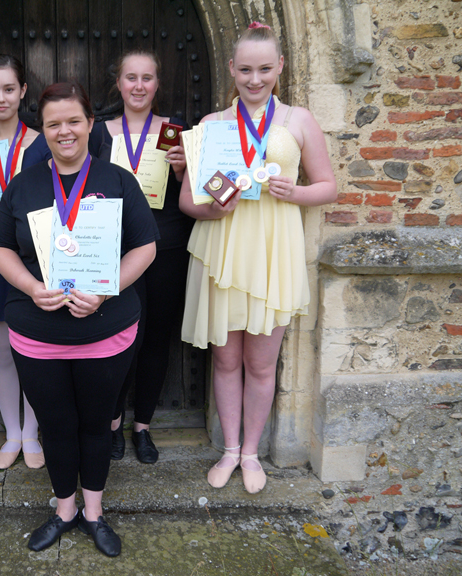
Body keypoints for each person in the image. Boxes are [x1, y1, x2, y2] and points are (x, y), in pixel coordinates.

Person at [0, 82, 157, 556]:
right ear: (43, 131)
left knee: (97, 423)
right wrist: (30, 287)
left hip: (105, 330)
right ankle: (65, 510)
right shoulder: (24, 185)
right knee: (56, 425)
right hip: (38, 332)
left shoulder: (118, 179)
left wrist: (107, 289)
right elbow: (0, 246)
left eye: (74, 121)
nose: (65, 131)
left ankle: (94, 513)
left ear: (89, 125)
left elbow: (145, 245)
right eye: (53, 124)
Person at [179, 22, 336, 493]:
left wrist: (296, 192)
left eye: (264, 69)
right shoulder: (212, 126)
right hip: (224, 246)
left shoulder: (299, 120)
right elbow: (188, 201)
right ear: (231, 68)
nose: (254, 79)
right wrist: (213, 206)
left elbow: (328, 186)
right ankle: (229, 449)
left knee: (262, 364)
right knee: (226, 362)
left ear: (280, 67)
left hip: (273, 251)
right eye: (245, 69)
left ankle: (252, 453)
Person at [89, 50, 193, 464]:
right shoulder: (99, 133)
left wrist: (185, 170)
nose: (138, 85)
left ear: (157, 84)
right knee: (119, 340)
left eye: (147, 78)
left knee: (154, 340)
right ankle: (113, 421)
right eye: (130, 77)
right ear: (119, 82)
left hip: (165, 247)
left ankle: (143, 426)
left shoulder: (174, 132)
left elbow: (191, 193)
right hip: (115, 251)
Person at [0, 55, 51, 470]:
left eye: (8, 89)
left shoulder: (43, 143)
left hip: (34, 260)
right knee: (0, 350)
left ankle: (33, 434)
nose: (1, 97)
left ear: (22, 92)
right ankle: (12, 434)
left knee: (32, 350)